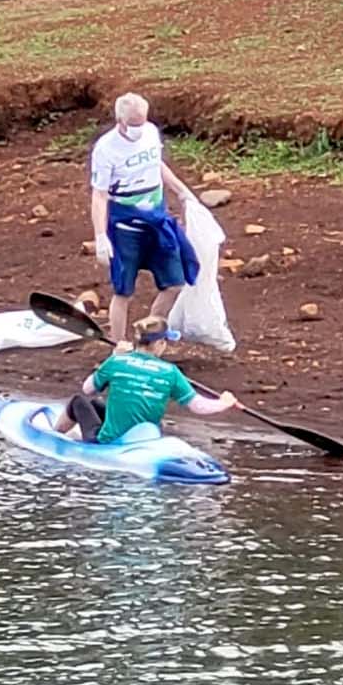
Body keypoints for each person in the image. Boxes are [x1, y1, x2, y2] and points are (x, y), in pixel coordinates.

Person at [89, 92, 202, 344]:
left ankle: (150, 335)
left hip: (157, 218)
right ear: (120, 120)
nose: (139, 129)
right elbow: (99, 194)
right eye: (133, 124)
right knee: (123, 290)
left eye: (142, 122)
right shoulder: (106, 149)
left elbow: (156, 164)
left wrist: (183, 192)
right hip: (125, 225)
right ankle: (118, 346)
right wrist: (100, 236)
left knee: (175, 282)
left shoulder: (150, 133)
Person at [54, 315, 237, 442]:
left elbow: (87, 389)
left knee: (79, 401)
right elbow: (198, 406)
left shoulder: (117, 361)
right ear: (158, 344)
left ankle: (54, 435)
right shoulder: (171, 372)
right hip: (145, 440)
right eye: (165, 342)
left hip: (108, 443)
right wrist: (224, 402)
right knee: (95, 404)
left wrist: (113, 356)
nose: (164, 346)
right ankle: (56, 436)